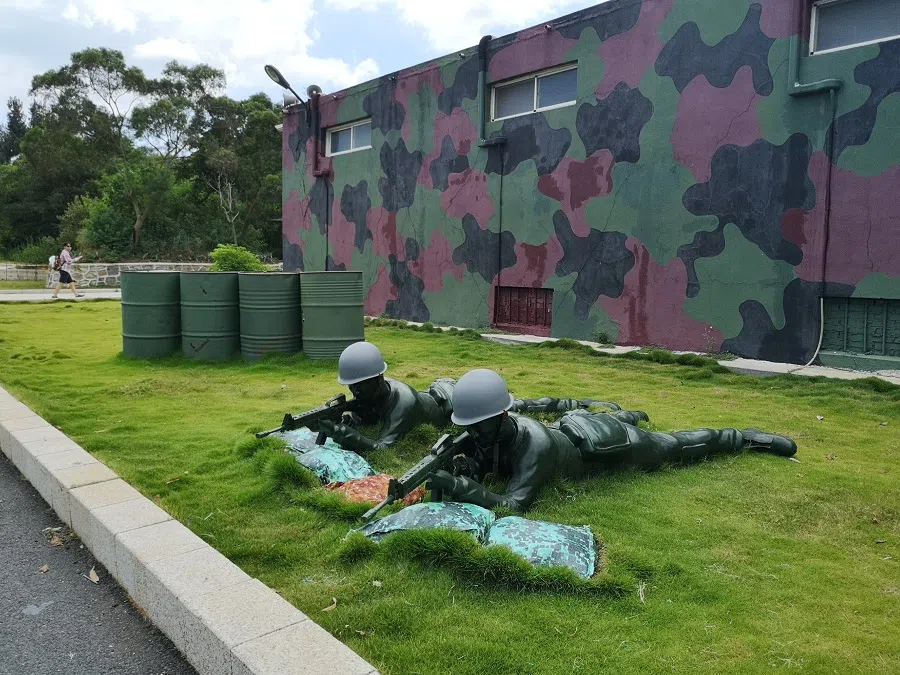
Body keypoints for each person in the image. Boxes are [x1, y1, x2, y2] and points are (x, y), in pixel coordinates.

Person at [425, 369, 798, 512]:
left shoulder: (533, 443)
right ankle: (623, 412)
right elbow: (485, 462)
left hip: (608, 448)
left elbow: (514, 504)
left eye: (476, 426)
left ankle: (741, 439)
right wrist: (460, 463)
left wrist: (462, 487)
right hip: (573, 429)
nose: (470, 432)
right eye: (467, 426)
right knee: (594, 418)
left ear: (501, 415)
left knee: (670, 447)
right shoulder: (485, 430)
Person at [316, 342, 622, 454]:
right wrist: (351, 417)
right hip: (449, 398)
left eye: (359, 385)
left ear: (378, 377)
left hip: (452, 402)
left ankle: (578, 405)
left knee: (522, 406)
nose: (354, 391)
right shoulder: (374, 391)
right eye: (351, 386)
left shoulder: (403, 402)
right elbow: (371, 414)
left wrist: (345, 435)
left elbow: (384, 447)